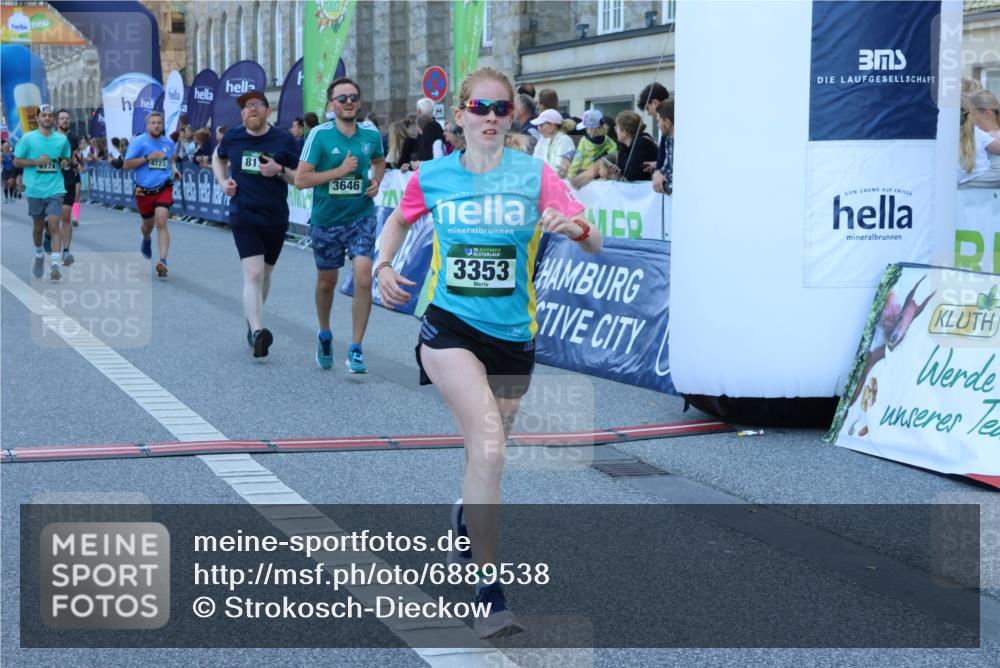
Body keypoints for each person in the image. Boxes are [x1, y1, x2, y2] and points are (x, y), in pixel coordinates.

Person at [375, 67, 603, 639]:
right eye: (480, 107)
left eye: (503, 109)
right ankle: (488, 590)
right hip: (448, 327)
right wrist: (382, 267)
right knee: (492, 447)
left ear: (514, 117)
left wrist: (572, 228)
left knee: (488, 453)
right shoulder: (434, 175)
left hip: (514, 335)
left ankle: (463, 514)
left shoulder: (536, 174)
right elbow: (396, 225)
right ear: (460, 116)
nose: (492, 118)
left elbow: (595, 237)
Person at [295, 77, 386, 372]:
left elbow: (379, 162)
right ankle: (324, 333)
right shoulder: (319, 136)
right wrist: (338, 171)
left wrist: (375, 182)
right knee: (327, 283)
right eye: (342, 98)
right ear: (332, 105)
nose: (348, 102)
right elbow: (301, 179)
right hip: (326, 220)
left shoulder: (370, 136)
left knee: (362, 275)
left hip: (361, 215)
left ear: (359, 103)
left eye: (353, 97)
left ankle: (356, 347)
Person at [213, 90, 300, 358]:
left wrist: (280, 170)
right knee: (253, 273)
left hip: (275, 216)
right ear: (242, 114)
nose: (250, 109)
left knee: (266, 274)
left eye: (255, 105)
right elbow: (218, 157)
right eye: (245, 107)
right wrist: (223, 182)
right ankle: (258, 330)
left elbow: (300, 177)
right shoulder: (233, 136)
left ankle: (252, 317)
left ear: (267, 111)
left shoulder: (284, 139)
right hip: (244, 213)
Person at [13, 104, 71, 280]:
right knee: (38, 227)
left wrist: (65, 163)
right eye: (43, 115)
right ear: (37, 119)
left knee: (54, 224)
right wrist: (36, 162)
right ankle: (39, 254)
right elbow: (17, 161)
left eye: (50, 115)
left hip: (55, 188)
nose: (47, 118)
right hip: (35, 190)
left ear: (54, 120)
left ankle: (55, 263)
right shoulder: (28, 139)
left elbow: (66, 158)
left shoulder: (61, 140)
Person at [123, 111, 177, 278]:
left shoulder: (168, 142)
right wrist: (148, 157)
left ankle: (163, 261)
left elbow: (171, 160)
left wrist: (175, 170)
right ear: (147, 125)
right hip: (144, 191)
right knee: (148, 226)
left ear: (163, 125)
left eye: (159, 123)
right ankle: (146, 238)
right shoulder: (139, 142)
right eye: (153, 123)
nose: (156, 126)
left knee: (161, 221)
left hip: (164, 187)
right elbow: (126, 164)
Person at [567, 108, 618, 188]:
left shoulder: (584, 141)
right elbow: (612, 154)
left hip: (583, 172)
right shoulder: (607, 140)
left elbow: (578, 158)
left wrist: (571, 174)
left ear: (589, 128)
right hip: (598, 174)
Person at [602, 111, 658, 182]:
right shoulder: (624, 146)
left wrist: (622, 174)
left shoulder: (642, 143)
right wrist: (617, 175)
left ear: (625, 133)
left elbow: (631, 174)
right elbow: (624, 172)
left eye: (617, 128)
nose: (615, 131)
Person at [960, 88, 1000, 188]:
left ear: (987, 114)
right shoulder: (970, 137)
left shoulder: (981, 135)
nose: (968, 120)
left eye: (971, 115)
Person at [56, 110, 81, 252]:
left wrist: (75, 164)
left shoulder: (73, 138)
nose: (65, 120)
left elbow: (74, 157)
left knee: (66, 214)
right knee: (52, 219)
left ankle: (66, 251)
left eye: (67, 118)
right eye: (62, 118)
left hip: (69, 179)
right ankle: (48, 235)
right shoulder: (50, 137)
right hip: (52, 180)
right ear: (57, 121)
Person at [531, 109, 574, 173]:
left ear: (552, 125)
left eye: (541, 125)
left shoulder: (565, 141)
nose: (539, 129)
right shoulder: (544, 140)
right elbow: (535, 161)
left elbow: (558, 169)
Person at [651, 99, 674, 195]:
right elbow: (666, 169)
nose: (658, 125)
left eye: (658, 121)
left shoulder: (686, 144)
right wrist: (657, 174)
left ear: (667, 123)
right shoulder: (668, 140)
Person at [413, 97, 444, 164]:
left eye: (417, 109)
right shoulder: (433, 125)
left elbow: (427, 150)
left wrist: (419, 163)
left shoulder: (430, 126)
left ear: (419, 110)